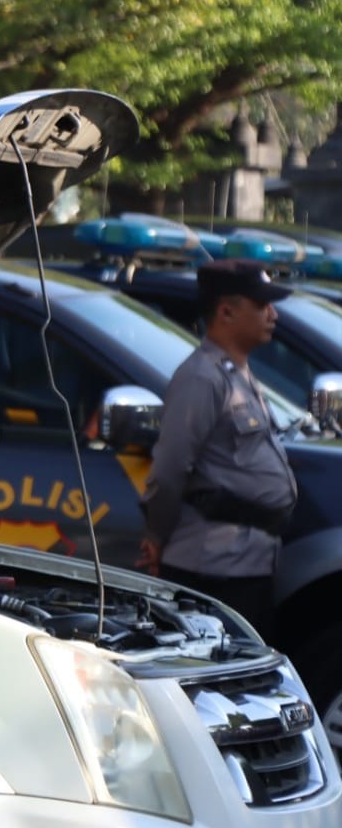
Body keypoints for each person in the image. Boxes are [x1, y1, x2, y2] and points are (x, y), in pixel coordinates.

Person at [140, 258, 298, 634]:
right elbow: (170, 468)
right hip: (214, 568)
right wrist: (156, 537)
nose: (272, 314)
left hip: (247, 563)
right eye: (261, 305)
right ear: (226, 311)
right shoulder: (200, 377)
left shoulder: (236, 372)